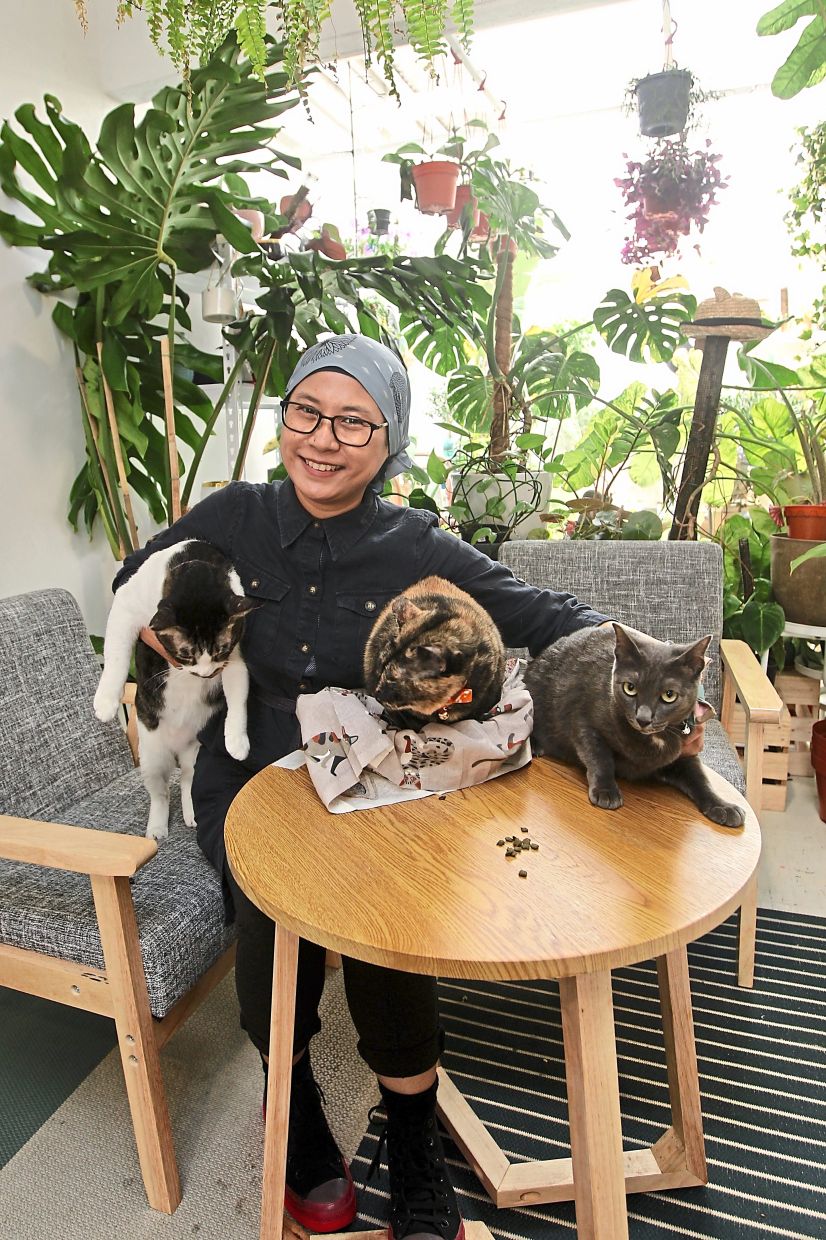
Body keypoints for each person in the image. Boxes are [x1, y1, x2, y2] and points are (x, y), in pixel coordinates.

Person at [113, 334, 704, 1240]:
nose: (323, 438)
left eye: (356, 421)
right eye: (306, 412)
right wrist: (173, 645)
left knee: (392, 921)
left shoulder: (414, 542)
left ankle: (414, 1131)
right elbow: (133, 579)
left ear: (389, 443)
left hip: (376, 772)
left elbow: (553, 617)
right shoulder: (232, 515)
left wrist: (654, 682)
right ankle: (298, 1100)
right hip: (251, 767)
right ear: (285, 422)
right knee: (270, 912)